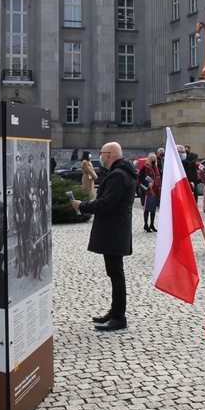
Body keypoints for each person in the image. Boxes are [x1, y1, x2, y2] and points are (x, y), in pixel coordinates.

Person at [72, 142, 137, 332]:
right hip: (115, 229)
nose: (99, 157)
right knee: (114, 272)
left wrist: (82, 206)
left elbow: (106, 203)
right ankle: (115, 311)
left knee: (116, 274)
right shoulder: (121, 172)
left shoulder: (118, 175)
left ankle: (119, 317)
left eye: (101, 154)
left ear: (108, 155)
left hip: (114, 230)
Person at [138, 152, 161, 232]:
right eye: (152, 158)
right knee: (147, 209)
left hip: (155, 191)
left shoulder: (156, 167)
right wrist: (148, 183)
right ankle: (146, 224)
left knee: (153, 209)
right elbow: (140, 177)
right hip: (147, 191)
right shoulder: (145, 167)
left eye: (154, 158)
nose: (154, 160)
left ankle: (152, 224)